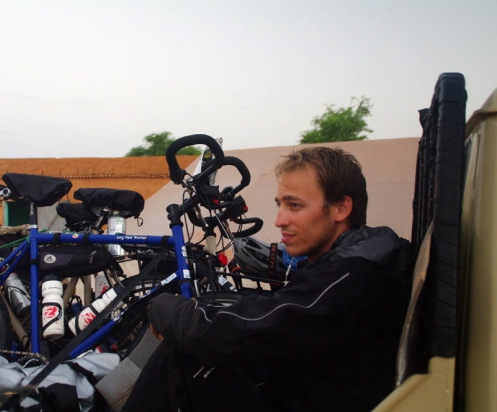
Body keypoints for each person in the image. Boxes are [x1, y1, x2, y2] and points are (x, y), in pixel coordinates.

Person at [123, 146, 414, 412]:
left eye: (294, 205)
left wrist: (163, 308)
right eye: (279, 205)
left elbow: (252, 329)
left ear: (341, 208)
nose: (279, 220)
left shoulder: (351, 278)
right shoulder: (355, 261)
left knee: (185, 356)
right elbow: (274, 322)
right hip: (300, 390)